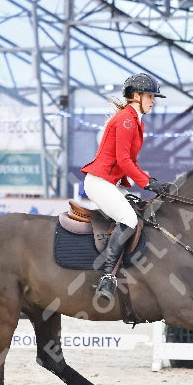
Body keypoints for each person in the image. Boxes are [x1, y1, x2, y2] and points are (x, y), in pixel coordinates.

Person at [80, 72, 168, 302]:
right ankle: (107, 276)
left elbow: (131, 162)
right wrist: (148, 183)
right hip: (99, 182)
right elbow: (123, 160)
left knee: (138, 212)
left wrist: (149, 182)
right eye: (150, 96)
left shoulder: (136, 121)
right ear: (136, 96)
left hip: (111, 183)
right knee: (128, 220)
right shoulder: (127, 120)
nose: (153, 101)